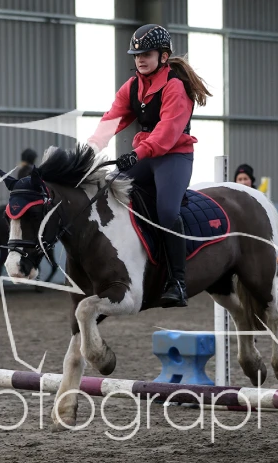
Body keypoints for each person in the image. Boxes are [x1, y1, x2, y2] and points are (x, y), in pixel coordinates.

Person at [87, 24, 211, 308]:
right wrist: (92, 146)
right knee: (107, 192)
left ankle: (177, 282)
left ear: (163, 56)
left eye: (146, 54)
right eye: (136, 55)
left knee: (166, 211)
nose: (140, 59)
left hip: (174, 156)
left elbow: (166, 134)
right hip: (146, 156)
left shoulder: (175, 87)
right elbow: (112, 119)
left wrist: (137, 154)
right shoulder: (132, 86)